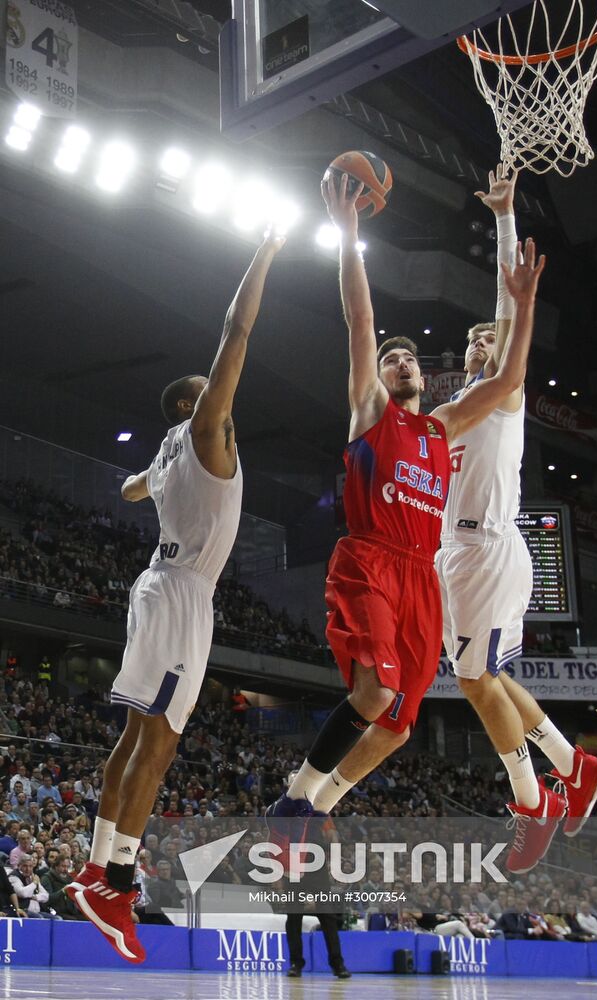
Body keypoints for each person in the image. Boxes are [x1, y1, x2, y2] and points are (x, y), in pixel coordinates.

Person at [267, 172, 545, 827]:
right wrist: (349, 230)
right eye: (391, 359)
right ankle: (296, 795)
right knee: (378, 688)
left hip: (425, 574)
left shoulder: (441, 426)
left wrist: (524, 303)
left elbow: (508, 375)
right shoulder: (370, 412)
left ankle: (321, 804)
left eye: (408, 358)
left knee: (396, 726)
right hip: (370, 559)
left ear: (423, 374)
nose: (400, 363)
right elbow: (359, 317)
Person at [70, 231, 285, 963]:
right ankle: (116, 884)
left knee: (136, 739)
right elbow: (238, 329)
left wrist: (148, 479)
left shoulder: (168, 452)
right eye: (215, 393)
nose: (229, 403)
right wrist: (265, 251)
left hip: (162, 586)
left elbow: (131, 487)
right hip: (182, 592)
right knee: (158, 746)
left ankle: (96, 870)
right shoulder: (201, 429)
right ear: (197, 403)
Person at [435, 165, 597, 874]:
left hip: (483, 551)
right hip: (471, 553)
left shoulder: (501, 396)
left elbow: (508, 313)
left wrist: (506, 216)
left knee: (476, 684)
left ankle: (532, 800)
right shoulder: (461, 411)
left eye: (488, 340)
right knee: (489, 677)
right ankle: (576, 765)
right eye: (474, 343)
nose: (480, 346)